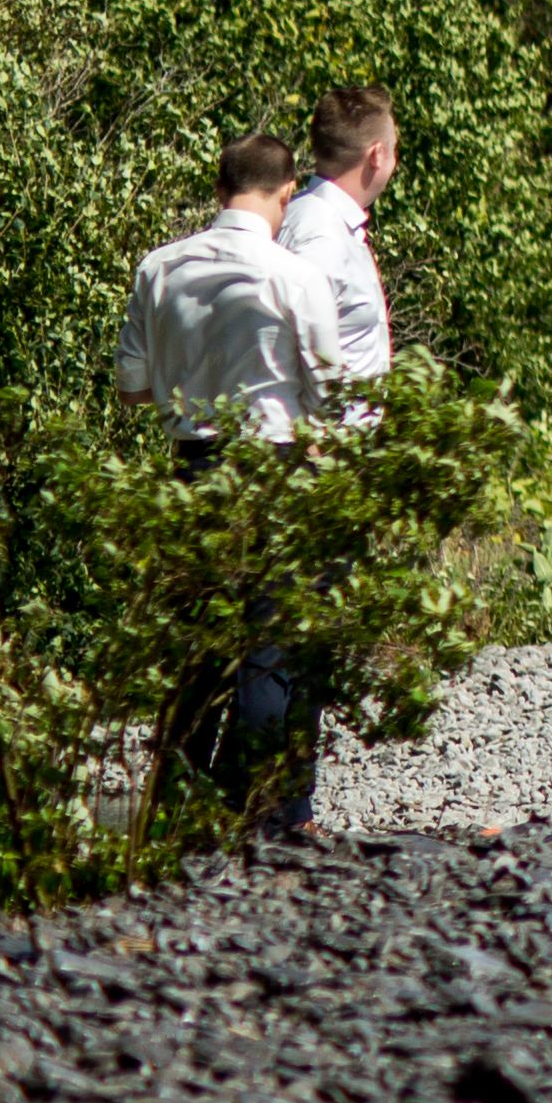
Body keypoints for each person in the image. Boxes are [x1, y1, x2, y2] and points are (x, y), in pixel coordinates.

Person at [112, 130, 362, 834]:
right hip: (271, 466)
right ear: (287, 193)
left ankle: (176, 811)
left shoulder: (157, 268)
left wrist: (188, 379)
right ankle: (256, 817)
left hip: (190, 466)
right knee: (266, 650)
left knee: (194, 648)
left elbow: (131, 387)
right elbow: (327, 392)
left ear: (218, 188)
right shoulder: (296, 277)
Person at [272, 85, 399, 399]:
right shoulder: (322, 238)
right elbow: (291, 354)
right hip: (328, 442)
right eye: (394, 149)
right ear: (377, 155)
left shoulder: (319, 221)